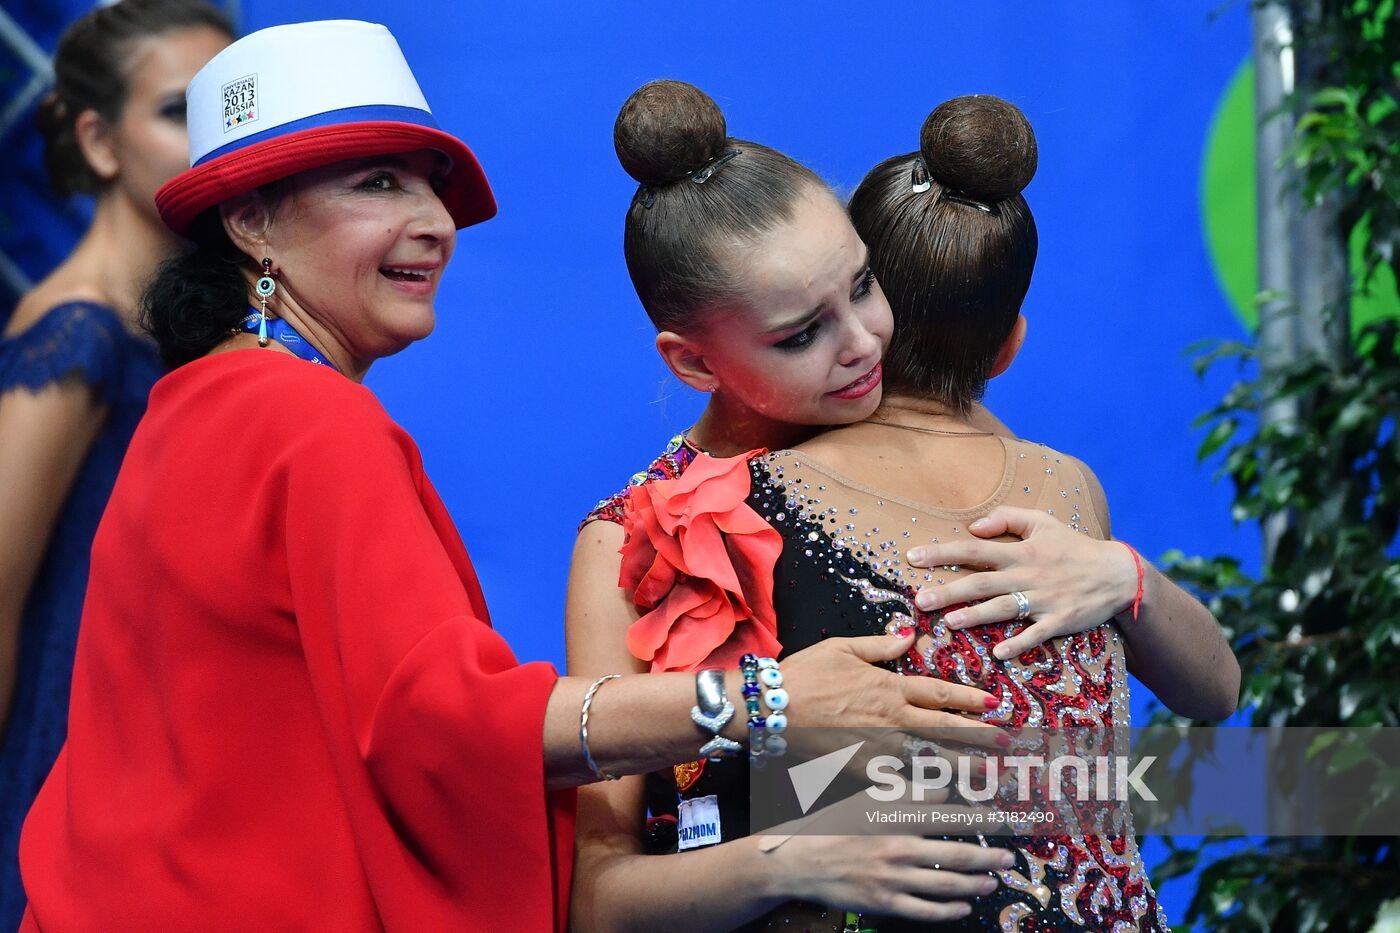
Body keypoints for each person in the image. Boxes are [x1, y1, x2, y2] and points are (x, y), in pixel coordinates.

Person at [16, 24, 1004, 932]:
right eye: (375, 184)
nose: (437, 222)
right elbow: (456, 733)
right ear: (250, 219)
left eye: (429, 185)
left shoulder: (196, 403)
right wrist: (773, 713)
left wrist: (1121, 617)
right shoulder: (322, 426)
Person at [567, 86, 1238, 931]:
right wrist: (790, 852)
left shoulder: (1015, 466)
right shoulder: (635, 536)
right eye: (800, 332)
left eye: (865, 285)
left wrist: (1124, 576)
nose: (863, 341)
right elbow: (599, 899)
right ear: (692, 362)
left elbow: (1215, 691)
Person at [0, 1, 232, 924]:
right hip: (65, 749)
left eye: (231, 107)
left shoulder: (183, 327)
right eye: (180, 111)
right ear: (98, 140)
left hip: (158, 739)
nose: (211, 139)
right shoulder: (79, 327)